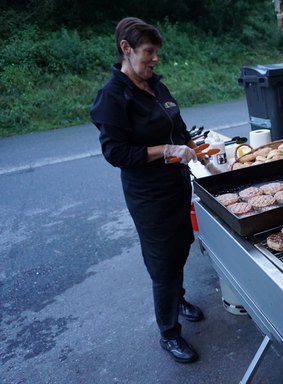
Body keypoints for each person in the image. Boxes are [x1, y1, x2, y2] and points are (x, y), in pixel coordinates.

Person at [90, 17, 204, 364]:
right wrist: (167, 150)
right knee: (162, 261)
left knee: (182, 243)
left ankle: (178, 297)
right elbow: (116, 153)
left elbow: (179, 127)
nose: (155, 59)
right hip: (148, 195)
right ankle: (169, 334)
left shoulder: (156, 85)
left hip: (176, 186)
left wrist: (207, 163)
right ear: (126, 48)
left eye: (156, 53)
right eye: (148, 52)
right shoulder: (113, 96)